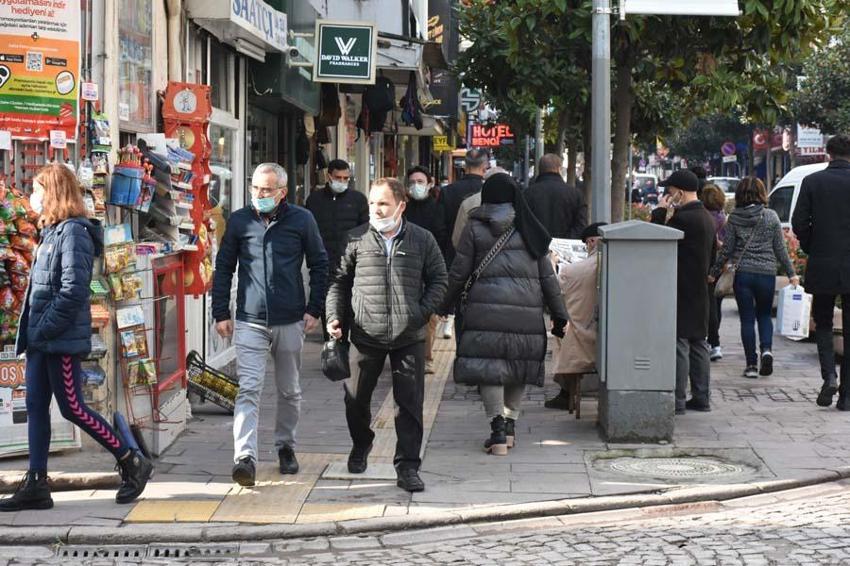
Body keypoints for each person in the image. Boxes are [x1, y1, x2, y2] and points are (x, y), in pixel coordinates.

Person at [1, 164, 152, 512]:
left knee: (72, 408)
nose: (33, 197)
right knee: (36, 406)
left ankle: (131, 460)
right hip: (42, 338)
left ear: (53, 193)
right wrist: (32, 333)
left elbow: (72, 291)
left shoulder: (73, 233)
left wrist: (43, 329)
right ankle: (36, 483)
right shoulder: (50, 232)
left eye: (38, 190)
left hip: (60, 339)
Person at [325, 178, 447, 492]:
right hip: (366, 334)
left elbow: (439, 280)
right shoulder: (355, 239)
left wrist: (420, 312)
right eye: (372, 203)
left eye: (383, 204)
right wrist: (335, 317)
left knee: (409, 405)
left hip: (409, 336)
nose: (376, 210)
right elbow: (338, 282)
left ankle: (407, 467)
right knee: (355, 400)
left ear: (400, 206)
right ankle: (361, 443)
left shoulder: (422, 239)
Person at [212, 163, 328, 486]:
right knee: (248, 388)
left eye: (266, 190)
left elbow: (320, 264)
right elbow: (223, 268)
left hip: (290, 319)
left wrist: (314, 309)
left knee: (289, 390)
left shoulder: (302, 220)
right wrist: (221, 312)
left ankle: (286, 446)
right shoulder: (240, 221)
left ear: (282, 192)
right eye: (255, 189)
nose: (259, 195)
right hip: (250, 320)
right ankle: (244, 457)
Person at [440, 173, 568, 455]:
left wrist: (442, 306)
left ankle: (497, 430)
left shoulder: (474, 227)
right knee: (517, 368)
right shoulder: (531, 227)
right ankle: (510, 427)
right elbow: (548, 277)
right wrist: (560, 316)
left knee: (491, 370)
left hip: (483, 311)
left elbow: (459, 272)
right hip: (526, 312)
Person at [709, 177, 797, 379]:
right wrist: (791, 273)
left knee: (747, 320)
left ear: (740, 194)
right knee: (764, 315)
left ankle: (750, 365)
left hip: (744, 275)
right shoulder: (771, 216)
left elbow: (727, 250)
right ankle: (767, 350)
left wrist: (713, 272)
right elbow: (780, 249)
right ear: (761, 193)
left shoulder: (735, 218)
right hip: (766, 274)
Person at [791, 134, 850, 409]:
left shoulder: (813, 182)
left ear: (828, 153)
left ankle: (829, 376)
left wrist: (813, 245)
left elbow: (799, 222)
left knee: (823, 322)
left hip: (823, 262)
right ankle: (847, 395)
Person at [651, 169, 716, 414]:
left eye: (669, 192)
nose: (668, 195)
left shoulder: (683, 219)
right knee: (699, 342)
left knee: (679, 343)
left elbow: (656, 242)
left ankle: (677, 400)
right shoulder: (706, 217)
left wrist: (659, 212)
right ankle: (702, 396)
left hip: (679, 287)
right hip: (700, 288)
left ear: (679, 191)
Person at [545, 222, 607, 411]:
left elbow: (554, 291)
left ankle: (566, 392)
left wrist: (552, 263)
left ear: (590, 242)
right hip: (609, 338)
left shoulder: (573, 271)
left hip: (584, 341)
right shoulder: (616, 265)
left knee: (560, 331)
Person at [305, 159, 369, 340]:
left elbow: (365, 231)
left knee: (349, 306)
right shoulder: (314, 200)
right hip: (323, 263)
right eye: (338, 177)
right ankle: (332, 346)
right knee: (329, 308)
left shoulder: (357, 200)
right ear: (329, 176)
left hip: (352, 264)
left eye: (345, 178)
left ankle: (346, 342)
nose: (342, 181)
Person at [403, 166, 448, 375]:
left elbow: (445, 240)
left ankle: (426, 358)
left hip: (430, 270)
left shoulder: (439, 209)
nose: (416, 186)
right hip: (405, 269)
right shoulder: (402, 209)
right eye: (412, 182)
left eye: (420, 182)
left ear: (430, 184)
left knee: (428, 317)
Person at [442, 148, 489, 266]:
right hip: (483, 258)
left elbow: (440, 227)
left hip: (453, 257)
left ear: (465, 166)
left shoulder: (447, 191)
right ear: (485, 166)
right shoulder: (490, 192)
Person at [525, 154, 587, 239]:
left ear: (540, 169)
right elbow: (580, 226)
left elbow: (523, 225)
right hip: (566, 249)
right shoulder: (575, 194)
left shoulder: (527, 194)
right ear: (559, 169)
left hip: (535, 248)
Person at [701, 183, 727, 362]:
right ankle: (715, 341)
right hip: (720, 264)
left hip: (706, 263)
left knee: (707, 304)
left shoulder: (703, 217)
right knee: (716, 304)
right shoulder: (723, 217)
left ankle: (710, 341)